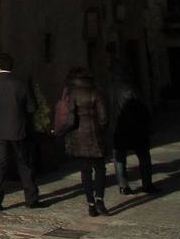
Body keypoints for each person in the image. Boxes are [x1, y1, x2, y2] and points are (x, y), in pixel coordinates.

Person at [0, 53, 41, 210]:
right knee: (24, 164)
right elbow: (32, 107)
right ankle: (31, 199)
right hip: (18, 129)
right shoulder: (21, 83)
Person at [61, 67, 110, 216]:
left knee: (85, 171)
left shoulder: (71, 93)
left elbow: (70, 119)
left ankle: (91, 204)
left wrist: (63, 131)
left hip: (79, 135)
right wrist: (99, 129)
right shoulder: (96, 92)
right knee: (100, 169)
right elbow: (104, 117)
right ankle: (100, 199)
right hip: (94, 134)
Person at [109, 70, 159, 196]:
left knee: (119, 159)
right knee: (144, 157)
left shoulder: (109, 90)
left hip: (117, 128)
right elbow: (141, 108)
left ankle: (123, 186)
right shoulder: (131, 89)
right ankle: (147, 184)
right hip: (135, 128)